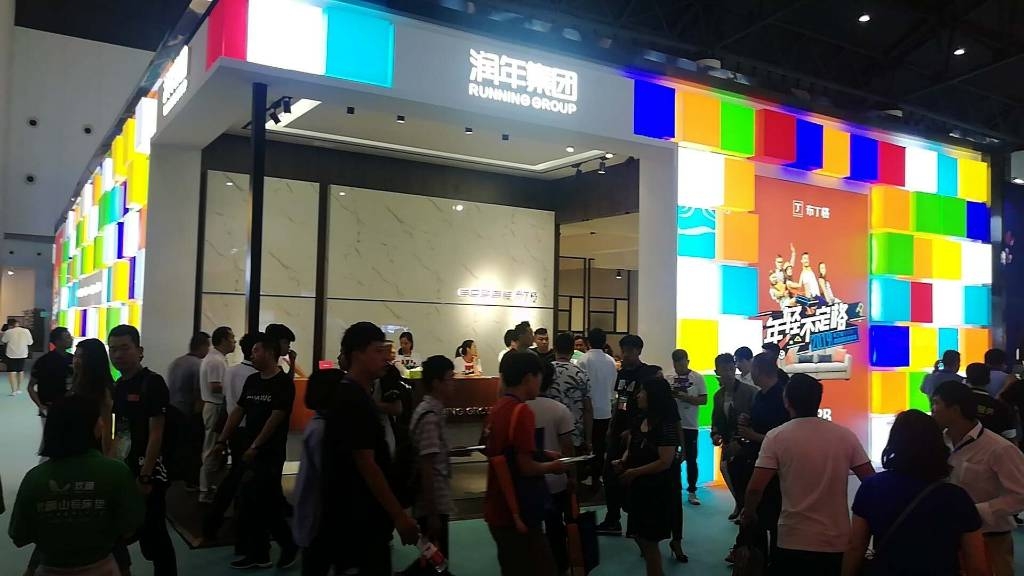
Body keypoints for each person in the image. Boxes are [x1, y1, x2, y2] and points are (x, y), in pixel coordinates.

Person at [741, 374, 874, 575]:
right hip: (835, 539)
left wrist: (749, 512)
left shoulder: (776, 437)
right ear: (818, 400)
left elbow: (755, 488)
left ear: (787, 401)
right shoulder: (845, 436)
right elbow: (870, 481)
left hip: (792, 537)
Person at [321, 322, 419, 573]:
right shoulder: (353, 399)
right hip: (359, 517)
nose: (385, 357)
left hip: (360, 515)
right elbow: (367, 463)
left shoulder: (355, 395)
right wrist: (399, 516)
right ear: (357, 355)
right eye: (377, 351)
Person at [9, 395, 144, 575]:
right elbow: (130, 527)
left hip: (50, 567)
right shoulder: (116, 472)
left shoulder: (34, 478)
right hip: (103, 567)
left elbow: (19, 535)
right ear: (94, 428)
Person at [843, 409, 989, 576]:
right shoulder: (956, 497)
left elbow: (856, 547)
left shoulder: (873, 486)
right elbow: (977, 566)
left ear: (894, 443)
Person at [208, 333, 298, 569]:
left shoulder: (283, 383)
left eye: (256, 350)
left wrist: (256, 446)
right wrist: (222, 440)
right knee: (252, 501)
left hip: (270, 453)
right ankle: (261, 552)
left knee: (264, 501)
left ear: (269, 352)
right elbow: (238, 411)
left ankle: (286, 545)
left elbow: (275, 419)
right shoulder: (253, 380)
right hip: (250, 450)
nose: (252, 354)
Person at [931, 380, 1024, 576]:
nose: (932, 410)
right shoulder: (938, 443)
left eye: (936, 403)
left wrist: (976, 511)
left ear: (955, 410)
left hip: (990, 537)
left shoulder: (999, 448)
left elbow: (1020, 495)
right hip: (950, 535)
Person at [485, 351, 566, 575]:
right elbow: (526, 468)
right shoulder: (522, 412)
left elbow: (505, 451)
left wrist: (541, 453)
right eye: (539, 376)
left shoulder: (498, 407)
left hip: (498, 503)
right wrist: (553, 467)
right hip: (518, 510)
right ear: (529, 377)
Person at [108, 324, 176, 576]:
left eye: (124, 348)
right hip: (126, 468)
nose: (118, 355)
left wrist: (146, 475)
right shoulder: (119, 385)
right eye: (113, 349)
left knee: (155, 533)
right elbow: (121, 431)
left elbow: (157, 432)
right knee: (140, 532)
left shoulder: (152, 383)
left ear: (140, 350)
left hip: (150, 471)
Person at [615, 377, 682, 575]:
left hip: (657, 491)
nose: (638, 395)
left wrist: (634, 472)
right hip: (638, 489)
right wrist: (623, 461)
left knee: (649, 542)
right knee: (640, 537)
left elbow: (665, 461)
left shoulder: (665, 425)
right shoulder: (639, 420)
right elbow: (631, 449)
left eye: (643, 391)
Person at [728, 352, 790, 565]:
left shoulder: (780, 398)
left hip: (775, 472)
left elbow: (783, 441)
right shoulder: (760, 396)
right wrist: (748, 421)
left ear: (758, 370)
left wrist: (752, 435)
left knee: (774, 521)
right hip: (756, 461)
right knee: (757, 524)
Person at [597, 334, 661, 536]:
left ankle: (638, 524)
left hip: (639, 433)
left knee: (634, 478)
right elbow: (622, 401)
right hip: (619, 431)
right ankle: (612, 518)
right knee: (609, 474)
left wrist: (633, 430)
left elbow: (650, 408)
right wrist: (613, 425)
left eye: (630, 351)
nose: (625, 355)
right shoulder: (623, 374)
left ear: (639, 351)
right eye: (623, 351)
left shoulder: (648, 375)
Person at [202, 333, 258, 543]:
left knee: (235, 473)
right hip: (244, 429)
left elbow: (230, 401)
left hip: (233, 427)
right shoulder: (251, 375)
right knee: (236, 475)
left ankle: (214, 516)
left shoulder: (231, 370)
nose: (233, 342)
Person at [294, 366, 343, 576]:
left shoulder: (319, 424)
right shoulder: (322, 429)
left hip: (314, 512)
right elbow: (328, 476)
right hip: (319, 515)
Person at [528, 361, 576, 575]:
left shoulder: (519, 408)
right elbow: (568, 449)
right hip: (556, 480)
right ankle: (559, 567)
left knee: (531, 529)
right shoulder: (559, 410)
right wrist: (572, 477)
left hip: (528, 479)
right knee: (556, 528)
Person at [409, 356, 457, 565]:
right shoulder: (429, 416)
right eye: (450, 379)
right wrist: (432, 513)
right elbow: (427, 467)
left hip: (433, 501)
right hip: (432, 502)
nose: (453, 384)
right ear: (437, 383)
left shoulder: (430, 411)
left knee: (432, 559)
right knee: (437, 561)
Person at [711, 353, 758, 521]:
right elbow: (716, 419)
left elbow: (756, 419)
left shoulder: (750, 391)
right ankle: (740, 503)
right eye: (724, 370)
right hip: (728, 442)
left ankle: (745, 508)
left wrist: (745, 439)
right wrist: (715, 434)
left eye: (731, 369)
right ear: (717, 371)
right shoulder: (718, 395)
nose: (729, 373)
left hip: (747, 443)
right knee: (726, 470)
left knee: (743, 477)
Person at [165, 332, 209, 491]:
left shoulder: (176, 362)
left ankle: (174, 477)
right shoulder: (198, 365)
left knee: (177, 447)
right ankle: (192, 481)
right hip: (187, 412)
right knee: (192, 449)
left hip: (172, 410)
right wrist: (197, 418)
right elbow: (199, 394)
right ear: (202, 346)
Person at [198, 326, 235, 503]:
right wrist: (233, 388)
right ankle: (204, 490)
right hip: (215, 407)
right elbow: (215, 386)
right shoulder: (216, 361)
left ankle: (208, 486)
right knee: (211, 447)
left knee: (213, 446)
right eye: (232, 338)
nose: (234, 341)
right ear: (223, 340)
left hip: (214, 406)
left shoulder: (216, 358)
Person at [578, 328, 616, 489]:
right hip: (605, 409)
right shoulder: (611, 361)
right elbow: (613, 386)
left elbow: (580, 386)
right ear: (604, 342)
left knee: (587, 444)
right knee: (600, 445)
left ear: (588, 342)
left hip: (587, 410)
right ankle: (597, 476)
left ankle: (586, 475)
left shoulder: (583, 360)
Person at [669, 348, 707, 505]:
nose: (679, 367)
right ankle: (674, 489)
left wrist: (687, 397)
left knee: (691, 459)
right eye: (676, 364)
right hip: (673, 424)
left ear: (688, 361)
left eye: (682, 363)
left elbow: (704, 400)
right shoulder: (669, 378)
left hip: (690, 425)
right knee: (673, 458)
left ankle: (692, 491)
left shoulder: (697, 378)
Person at [548, 332, 593, 462]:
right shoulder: (581, 374)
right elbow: (588, 409)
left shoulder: (545, 372)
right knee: (572, 468)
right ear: (572, 351)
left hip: (549, 433)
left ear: (554, 349)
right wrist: (588, 440)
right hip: (574, 433)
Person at [71, 339, 117, 459]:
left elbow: (106, 426)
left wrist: (106, 458)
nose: (76, 361)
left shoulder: (102, 389)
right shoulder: (76, 384)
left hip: (92, 449)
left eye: (81, 357)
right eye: (75, 356)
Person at [28, 327, 74, 441]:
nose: (71, 339)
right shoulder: (44, 362)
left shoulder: (73, 360)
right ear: (57, 341)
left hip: (70, 407)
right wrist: (40, 405)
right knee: (50, 440)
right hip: (49, 407)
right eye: (67, 337)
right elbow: (30, 387)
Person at [964, 363, 1017, 441]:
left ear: (967, 379)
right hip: (993, 446)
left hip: (963, 446)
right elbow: (1011, 438)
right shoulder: (1000, 407)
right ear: (988, 380)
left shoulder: (958, 402)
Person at [3, 318, 34, 395]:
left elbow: (4, 340)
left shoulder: (8, 332)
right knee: (20, 371)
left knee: (12, 371)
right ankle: (18, 388)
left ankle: (13, 391)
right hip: (22, 353)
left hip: (11, 354)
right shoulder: (26, 331)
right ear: (18, 323)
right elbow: (30, 342)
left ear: (10, 325)